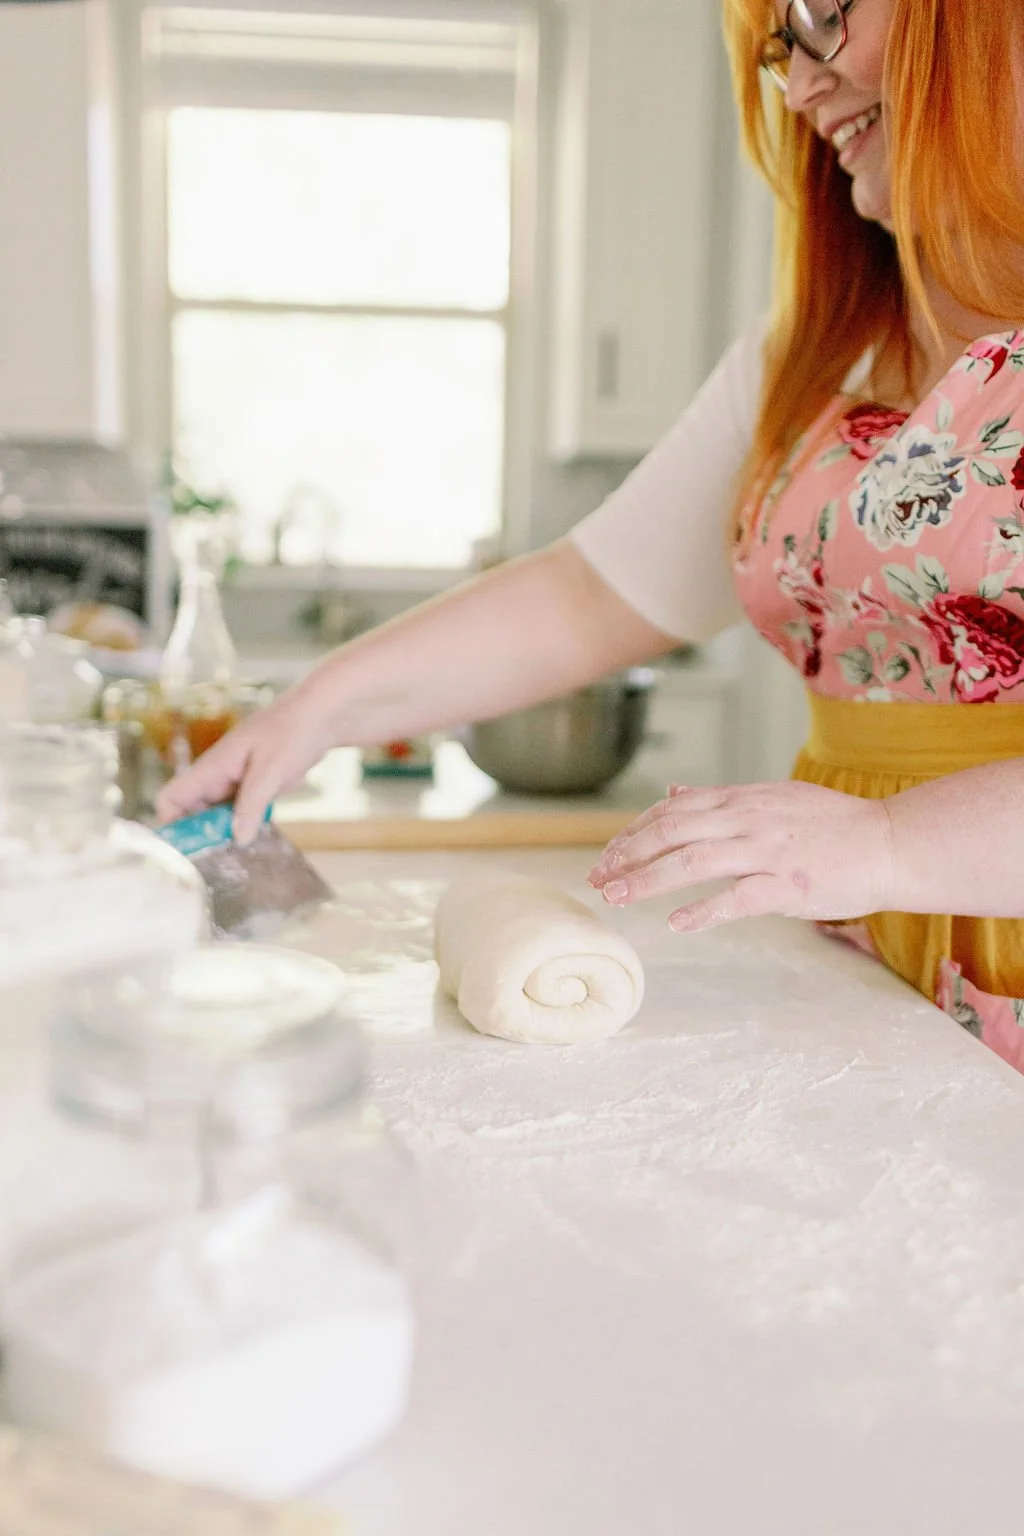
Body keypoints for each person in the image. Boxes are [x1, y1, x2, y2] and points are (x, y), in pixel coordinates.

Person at [159, 0, 1024, 1074]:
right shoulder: (814, 355)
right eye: (776, 50)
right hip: (863, 958)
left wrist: (891, 845)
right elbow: (590, 595)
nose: (798, 90)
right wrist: (313, 710)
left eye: (821, 15)